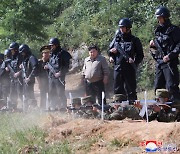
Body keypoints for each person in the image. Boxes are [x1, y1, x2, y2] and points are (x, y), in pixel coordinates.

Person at [108, 18, 144, 101]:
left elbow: (140, 55)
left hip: (129, 68)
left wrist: (134, 61)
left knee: (130, 89)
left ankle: (133, 107)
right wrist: (111, 54)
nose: (121, 29)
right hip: (118, 68)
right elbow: (109, 51)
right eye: (120, 27)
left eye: (123, 27)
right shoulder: (116, 40)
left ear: (128, 28)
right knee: (118, 89)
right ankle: (119, 107)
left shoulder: (134, 40)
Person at [149, 6, 180, 102]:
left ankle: (176, 109)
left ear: (165, 17)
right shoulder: (158, 30)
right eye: (157, 18)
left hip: (170, 62)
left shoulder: (174, 30)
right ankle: (159, 110)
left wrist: (170, 56)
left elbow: (179, 45)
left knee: (171, 86)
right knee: (158, 86)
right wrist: (153, 45)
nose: (158, 20)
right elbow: (160, 45)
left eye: (160, 18)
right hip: (160, 62)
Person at [45, 38, 72, 111]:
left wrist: (60, 73)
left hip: (59, 77)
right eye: (50, 46)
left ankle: (63, 108)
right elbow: (50, 64)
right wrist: (47, 67)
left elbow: (67, 66)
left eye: (52, 45)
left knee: (60, 93)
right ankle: (53, 107)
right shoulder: (52, 54)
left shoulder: (63, 53)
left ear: (56, 45)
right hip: (51, 77)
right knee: (51, 93)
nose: (51, 47)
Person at [19, 44, 38, 110]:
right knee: (26, 95)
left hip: (29, 80)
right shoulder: (25, 59)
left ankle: (33, 108)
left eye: (22, 52)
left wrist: (29, 78)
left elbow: (35, 67)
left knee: (30, 95)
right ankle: (26, 109)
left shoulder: (31, 58)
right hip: (25, 80)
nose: (22, 54)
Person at [7, 42, 23, 109]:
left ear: (16, 49)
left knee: (20, 94)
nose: (11, 51)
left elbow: (24, 68)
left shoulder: (21, 57)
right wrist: (7, 68)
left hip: (19, 79)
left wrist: (19, 73)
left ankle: (25, 107)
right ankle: (13, 107)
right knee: (12, 94)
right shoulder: (11, 57)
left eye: (12, 50)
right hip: (12, 79)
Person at [37, 45, 50, 109]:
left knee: (51, 95)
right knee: (42, 95)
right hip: (42, 82)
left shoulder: (51, 61)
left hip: (50, 81)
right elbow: (37, 74)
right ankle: (42, 108)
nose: (46, 54)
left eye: (48, 53)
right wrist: (39, 83)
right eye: (45, 53)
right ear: (42, 54)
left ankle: (51, 107)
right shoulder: (39, 62)